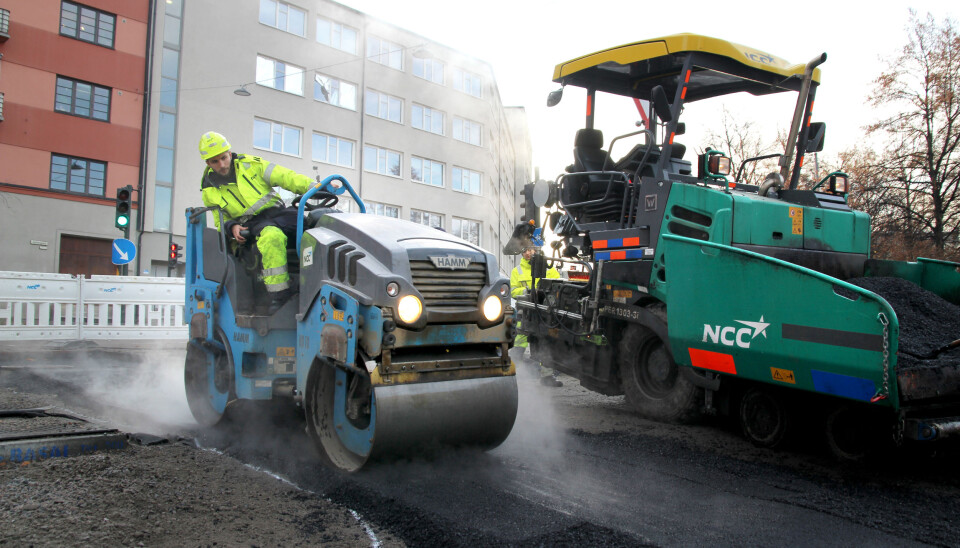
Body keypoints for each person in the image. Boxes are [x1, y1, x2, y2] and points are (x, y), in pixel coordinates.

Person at [198, 131, 316, 313]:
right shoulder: (209, 190)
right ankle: (279, 295)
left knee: (316, 225)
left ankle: (316, 283)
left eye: (223, 158)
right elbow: (220, 221)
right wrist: (232, 227)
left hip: (278, 214)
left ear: (229, 153)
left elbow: (286, 177)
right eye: (215, 161)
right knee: (272, 237)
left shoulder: (251, 165)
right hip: (252, 225)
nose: (221, 165)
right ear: (208, 163)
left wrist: (317, 186)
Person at [510, 242, 563, 387]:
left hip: (544, 311)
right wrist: (528, 292)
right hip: (525, 310)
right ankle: (509, 376)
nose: (528, 253)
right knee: (519, 343)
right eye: (525, 250)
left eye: (531, 249)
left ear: (536, 251)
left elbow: (558, 286)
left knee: (545, 342)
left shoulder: (549, 268)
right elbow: (513, 291)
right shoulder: (517, 271)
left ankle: (547, 377)